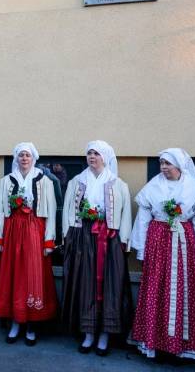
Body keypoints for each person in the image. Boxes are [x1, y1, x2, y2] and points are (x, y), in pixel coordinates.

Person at [129, 148, 195, 360]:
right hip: (158, 246)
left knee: (182, 293)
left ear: (179, 165)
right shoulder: (153, 186)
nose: (163, 168)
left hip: (184, 249)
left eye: (167, 163)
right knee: (156, 290)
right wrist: (141, 251)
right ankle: (155, 343)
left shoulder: (193, 189)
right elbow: (143, 219)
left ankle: (181, 347)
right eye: (161, 163)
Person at [60, 140, 133, 356]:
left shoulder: (118, 184)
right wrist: (68, 236)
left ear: (105, 157)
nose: (92, 157)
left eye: (96, 154)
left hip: (109, 240)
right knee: (86, 284)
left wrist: (124, 241)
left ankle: (105, 335)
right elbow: (67, 211)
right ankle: (88, 333)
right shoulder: (76, 181)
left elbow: (126, 213)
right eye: (89, 153)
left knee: (109, 286)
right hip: (83, 237)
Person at [0, 142, 57, 346]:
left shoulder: (44, 181)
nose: (24, 159)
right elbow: (0, 211)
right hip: (12, 233)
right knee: (13, 276)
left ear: (34, 158)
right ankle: (15, 322)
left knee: (32, 277)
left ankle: (31, 324)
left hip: (35, 232)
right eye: (21, 155)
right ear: (16, 158)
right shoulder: (6, 181)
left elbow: (52, 212)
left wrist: (49, 240)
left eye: (27, 155)